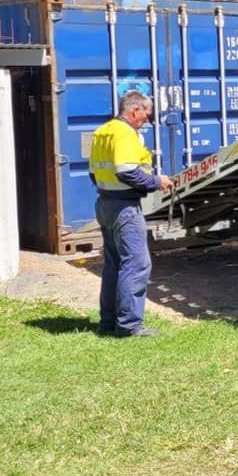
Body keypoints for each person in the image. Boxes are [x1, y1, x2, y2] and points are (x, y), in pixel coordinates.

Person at [89, 91, 174, 337]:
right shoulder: (124, 133)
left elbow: (94, 173)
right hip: (124, 208)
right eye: (146, 115)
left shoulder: (102, 132)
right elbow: (127, 171)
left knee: (114, 265)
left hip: (105, 203)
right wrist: (156, 181)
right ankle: (129, 326)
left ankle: (108, 322)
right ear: (134, 110)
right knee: (137, 264)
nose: (147, 120)